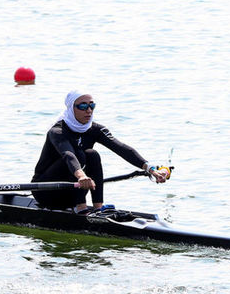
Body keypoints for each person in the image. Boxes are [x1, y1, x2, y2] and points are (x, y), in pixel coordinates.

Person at [31, 89, 169, 212]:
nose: (89, 110)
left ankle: (98, 208)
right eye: (83, 106)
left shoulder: (96, 129)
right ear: (70, 108)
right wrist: (81, 176)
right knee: (79, 154)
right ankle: (81, 207)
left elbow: (122, 148)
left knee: (92, 154)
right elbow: (68, 155)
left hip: (72, 192)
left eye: (92, 105)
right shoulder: (57, 131)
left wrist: (151, 169)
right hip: (46, 191)